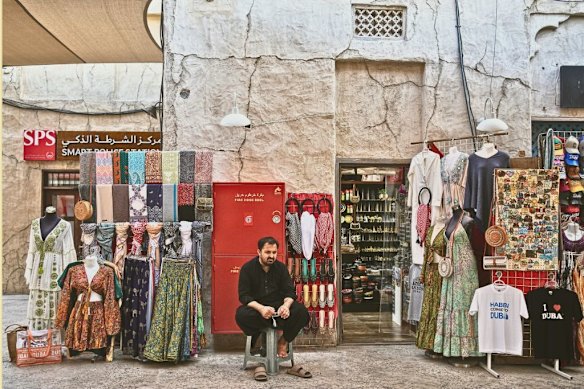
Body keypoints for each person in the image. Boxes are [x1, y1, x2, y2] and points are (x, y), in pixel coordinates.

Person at [235, 237, 310, 366]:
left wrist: (285, 306)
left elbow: (289, 292)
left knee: (302, 312)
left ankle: (283, 341)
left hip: (278, 310)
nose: (271, 256)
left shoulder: (280, 268)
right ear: (259, 252)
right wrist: (261, 309)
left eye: (274, 253)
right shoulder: (247, 269)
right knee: (241, 315)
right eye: (268, 252)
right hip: (258, 310)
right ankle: (256, 337)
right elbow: (244, 296)